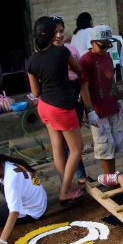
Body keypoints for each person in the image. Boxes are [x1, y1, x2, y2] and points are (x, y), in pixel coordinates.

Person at [27, 16, 83, 202]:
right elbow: (78, 70)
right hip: (62, 106)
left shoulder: (32, 60)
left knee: (58, 148)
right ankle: (64, 192)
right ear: (52, 35)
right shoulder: (61, 52)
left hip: (45, 106)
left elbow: (35, 92)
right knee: (76, 149)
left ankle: (65, 186)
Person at [81, 25, 123, 185]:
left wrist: (119, 99)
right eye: (102, 45)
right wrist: (89, 110)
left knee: (115, 141)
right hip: (97, 109)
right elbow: (84, 87)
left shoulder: (107, 56)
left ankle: (112, 176)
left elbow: (110, 79)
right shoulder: (85, 60)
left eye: (108, 45)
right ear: (93, 43)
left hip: (111, 104)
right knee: (104, 145)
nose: (106, 48)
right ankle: (109, 178)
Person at [54, 17, 88, 183]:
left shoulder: (71, 49)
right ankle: (73, 178)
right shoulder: (46, 55)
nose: (59, 35)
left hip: (74, 96)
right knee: (65, 143)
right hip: (58, 99)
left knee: (74, 140)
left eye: (61, 30)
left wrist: (82, 93)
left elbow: (80, 73)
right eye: (56, 32)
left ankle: (79, 176)